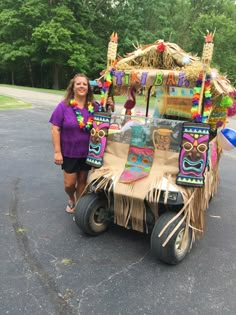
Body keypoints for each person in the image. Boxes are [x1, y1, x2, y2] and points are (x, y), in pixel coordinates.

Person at [49, 73, 99, 213]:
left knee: (82, 180)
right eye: (79, 83)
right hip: (69, 152)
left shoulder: (94, 107)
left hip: (87, 152)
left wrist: (110, 106)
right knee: (69, 184)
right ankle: (71, 198)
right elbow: (55, 129)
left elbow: (104, 120)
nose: (82, 86)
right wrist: (57, 152)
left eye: (84, 84)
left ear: (88, 88)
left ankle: (79, 208)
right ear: (73, 87)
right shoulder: (64, 106)